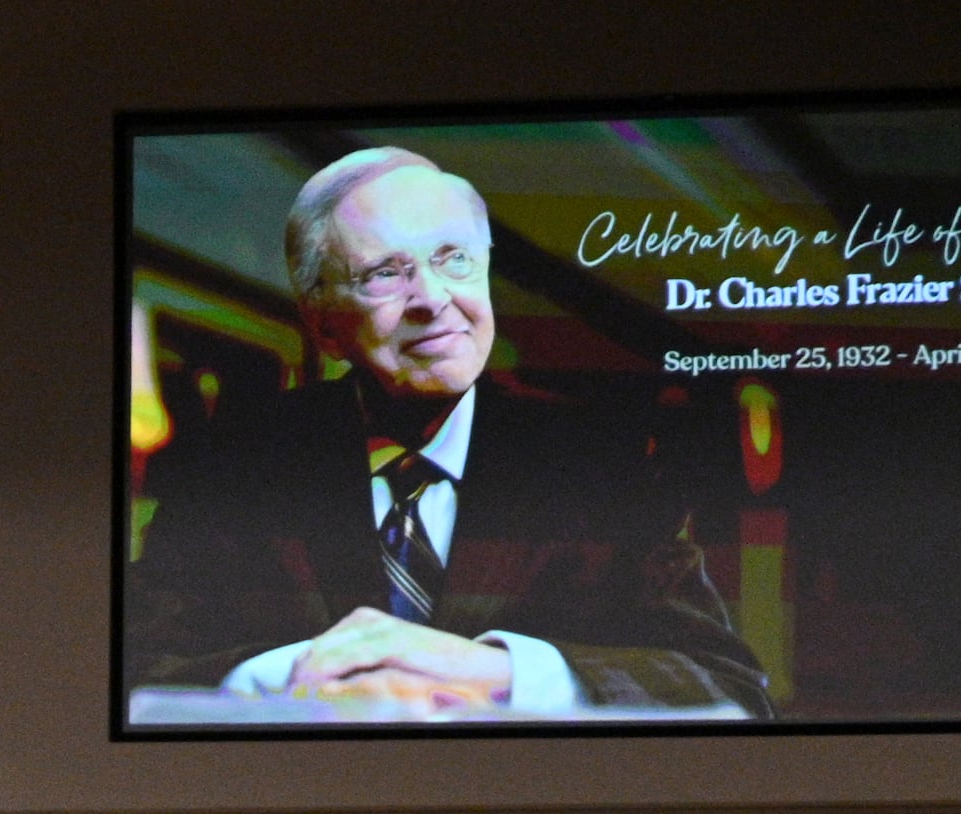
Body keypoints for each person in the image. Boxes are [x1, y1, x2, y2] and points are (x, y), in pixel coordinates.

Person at [120, 145, 768, 720]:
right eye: (384, 274)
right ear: (322, 326)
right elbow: (124, 670)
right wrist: (285, 678)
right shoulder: (235, 462)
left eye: (454, 259)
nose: (432, 297)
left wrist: (501, 671)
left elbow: (732, 689)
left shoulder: (604, 463)